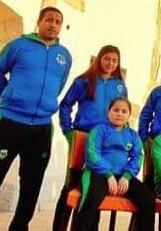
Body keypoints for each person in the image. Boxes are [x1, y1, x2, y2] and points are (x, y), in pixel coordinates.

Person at [0, 6, 72, 231]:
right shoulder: (18, 46)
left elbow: (59, 85)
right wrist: (9, 98)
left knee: (32, 185)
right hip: (9, 122)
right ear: (39, 22)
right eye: (49, 20)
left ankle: (19, 227)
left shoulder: (64, 56)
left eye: (58, 21)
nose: (53, 24)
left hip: (42, 127)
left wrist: (43, 104)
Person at [53, 45, 127, 231]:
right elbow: (66, 105)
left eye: (114, 60)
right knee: (73, 183)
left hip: (106, 141)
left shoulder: (120, 85)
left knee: (97, 185)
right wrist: (69, 131)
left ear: (118, 63)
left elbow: (123, 111)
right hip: (84, 137)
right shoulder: (84, 81)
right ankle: (60, 226)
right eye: (106, 58)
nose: (110, 63)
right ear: (99, 59)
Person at [70, 98, 155, 231]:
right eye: (115, 110)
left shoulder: (132, 135)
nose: (119, 114)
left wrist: (127, 176)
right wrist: (108, 175)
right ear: (108, 112)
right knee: (92, 197)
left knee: (148, 198)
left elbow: (137, 156)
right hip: (97, 173)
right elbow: (92, 154)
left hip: (123, 176)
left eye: (124, 111)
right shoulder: (99, 130)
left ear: (128, 115)